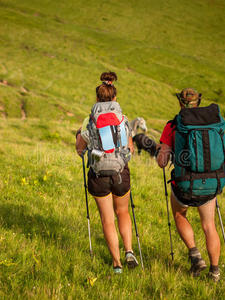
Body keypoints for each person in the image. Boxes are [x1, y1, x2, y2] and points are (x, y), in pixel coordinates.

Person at [75, 72, 139, 274]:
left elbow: (79, 150)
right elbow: (130, 148)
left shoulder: (89, 119)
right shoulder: (123, 119)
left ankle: (117, 264)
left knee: (107, 219)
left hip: (98, 175)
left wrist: (81, 138)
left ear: (97, 98)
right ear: (115, 98)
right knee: (123, 212)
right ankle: (129, 250)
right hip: (120, 174)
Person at [157, 88, 221, 281]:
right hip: (210, 183)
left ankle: (194, 254)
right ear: (198, 102)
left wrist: (162, 154)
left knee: (179, 213)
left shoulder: (173, 126)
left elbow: (162, 161)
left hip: (184, 184)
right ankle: (215, 271)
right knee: (209, 225)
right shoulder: (214, 124)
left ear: (180, 103)